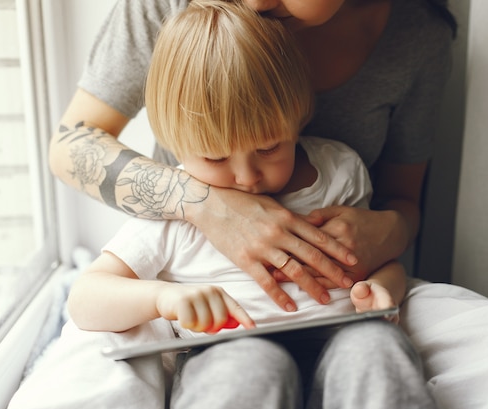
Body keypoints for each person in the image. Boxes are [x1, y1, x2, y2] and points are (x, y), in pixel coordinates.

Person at [66, 2, 438, 409]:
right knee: (246, 370)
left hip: (344, 335)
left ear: (300, 120)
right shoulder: (171, 209)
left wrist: (385, 289)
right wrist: (162, 298)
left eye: (268, 148)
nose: (246, 177)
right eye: (213, 157)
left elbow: (380, 263)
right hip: (230, 349)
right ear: (175, 145)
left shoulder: (339, 173)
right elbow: (85, 297)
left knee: (376, 352)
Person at [49, 0, 457, 313]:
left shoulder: (417, 38)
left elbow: (402, 199)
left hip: (335, 309)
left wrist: (390, 231)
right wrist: (206, 205)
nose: (256, 2)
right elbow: (71, 145)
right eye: (213, 155)